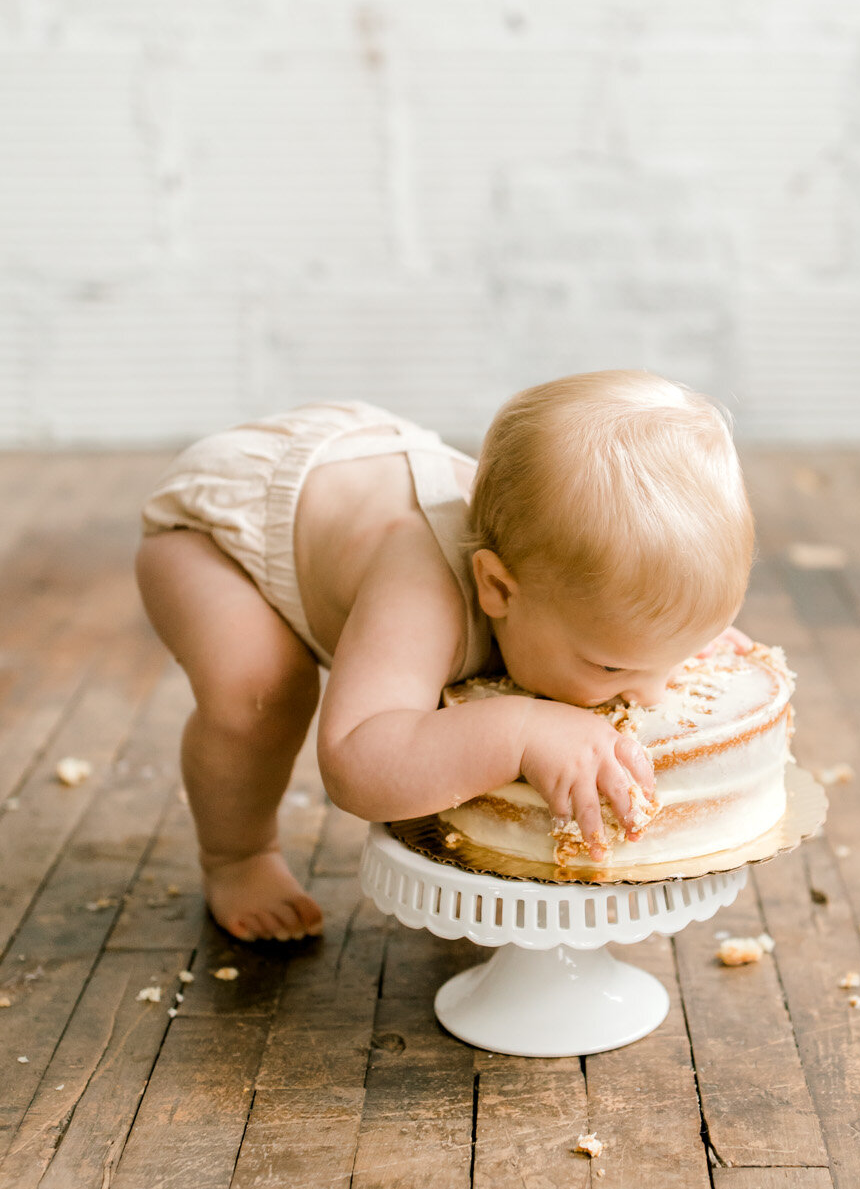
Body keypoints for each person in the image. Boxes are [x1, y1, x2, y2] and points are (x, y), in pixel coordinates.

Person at [136, 371, 755, 941]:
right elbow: (357, 762)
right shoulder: (421, 589)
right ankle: (238, 856)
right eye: (613, 667)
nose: (649, 694)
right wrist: (519, 729)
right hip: (229, 527)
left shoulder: (566, 583)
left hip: (353, 469)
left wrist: (667, 645)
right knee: (264, 689)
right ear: (496, 588)